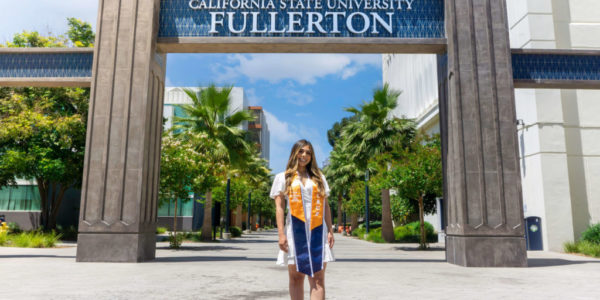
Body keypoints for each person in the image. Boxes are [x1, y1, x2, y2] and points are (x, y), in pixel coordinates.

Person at [270, 139, 335, 300]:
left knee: (318, 278)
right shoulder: (283, 177)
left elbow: (326, 206)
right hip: (295, 232)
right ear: (294, 153)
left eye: (308, 152)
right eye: (301, 151)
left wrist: (331, 231)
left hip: (318, 232)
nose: (304, 155)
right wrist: (281, 234)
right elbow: (279, 207)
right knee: (296, 277)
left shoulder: (319, 178)